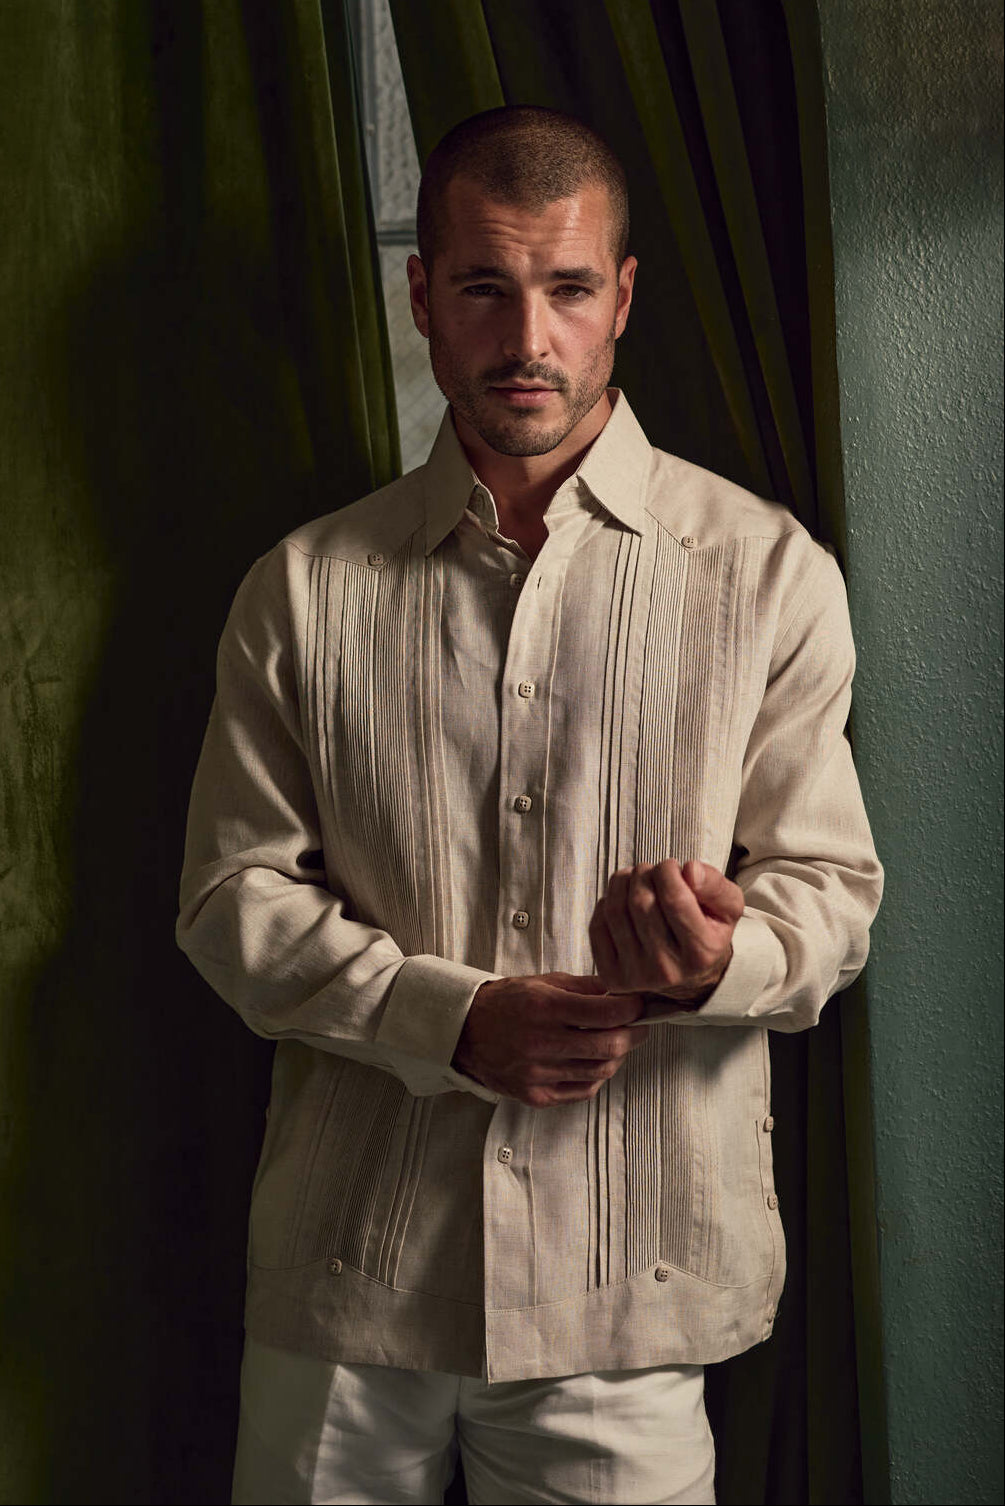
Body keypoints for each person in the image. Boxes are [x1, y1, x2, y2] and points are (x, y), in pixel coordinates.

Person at [177, 106, 883, 1506]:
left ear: (620, 298)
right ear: (423, 294)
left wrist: (712, 960)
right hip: (347, 1289)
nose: (526, 339)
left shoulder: (764, 573)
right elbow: (227, 896)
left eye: (566, 288)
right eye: (486, 288)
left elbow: (829, 897)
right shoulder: (302, 587)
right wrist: (449, 1018)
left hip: (623, 1295)